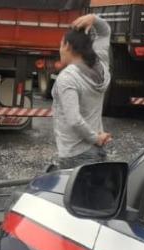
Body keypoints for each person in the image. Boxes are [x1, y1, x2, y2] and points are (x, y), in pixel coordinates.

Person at [52, 14, 113, 171]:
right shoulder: (101, 65)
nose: (59, 50)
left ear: (67, 46)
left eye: (60, 45)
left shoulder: (68, 77)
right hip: (97, 151)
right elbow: (105, 32)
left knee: (74, 195)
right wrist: (94, 18)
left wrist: (96, 138)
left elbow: (74, 119)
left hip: (75, 155)